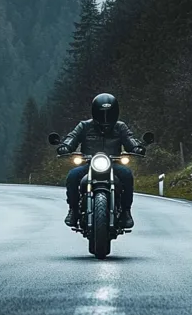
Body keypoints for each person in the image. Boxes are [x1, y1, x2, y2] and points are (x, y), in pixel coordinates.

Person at [57, 93, 145, 229]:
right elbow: (72, 137)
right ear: (95, 112)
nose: (105, 117)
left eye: (109, 113)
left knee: (127, 175)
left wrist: (137, 147)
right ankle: (73, 210)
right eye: (102, 113)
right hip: (88, 164)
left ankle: (126, 212)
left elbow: (130, 139)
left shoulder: (120, 127)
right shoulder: (84, 126)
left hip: (113, 164)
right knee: (72, 176)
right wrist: (65, 146)